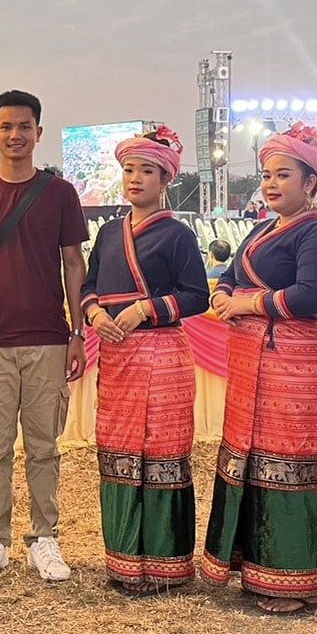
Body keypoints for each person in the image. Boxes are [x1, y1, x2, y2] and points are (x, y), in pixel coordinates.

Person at [0, 90, 89, 583]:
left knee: (45, 445)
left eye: (24, 126)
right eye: (6, 127)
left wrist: (77, 332)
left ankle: (45, 537)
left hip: (49, 338)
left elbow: (74, 264)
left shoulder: (60, 193)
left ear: (38, 133)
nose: (15, 135)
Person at [201, 122, 317, 614]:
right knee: (253, 460)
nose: (271, 184)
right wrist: (222, 296)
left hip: (294, 362)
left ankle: (294, 579)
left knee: (289, 465)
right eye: (266, 175)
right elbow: (229, 276)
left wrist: (244, 303)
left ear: (311, 182)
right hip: (252, 359)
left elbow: (309, 296)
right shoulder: (262, 230)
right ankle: (256, 567)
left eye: (284, 175)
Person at [82, 126, 208, 592]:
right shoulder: (108, 233)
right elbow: (89, 285)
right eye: (129, 170)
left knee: (160, 454)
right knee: (119, 453)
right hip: (117, 357)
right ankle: (123, 560)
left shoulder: (177, 235)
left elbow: (197, 296)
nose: (135, 179)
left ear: (166, 179)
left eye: (147, 171)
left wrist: (144, 309)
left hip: (162, 356)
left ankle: (164, 564)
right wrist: (95, 313)